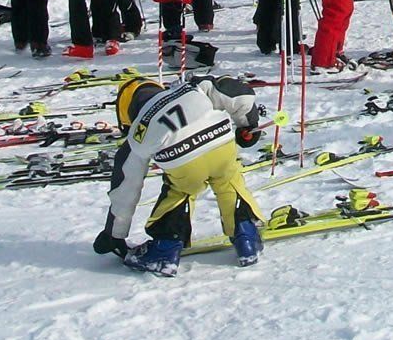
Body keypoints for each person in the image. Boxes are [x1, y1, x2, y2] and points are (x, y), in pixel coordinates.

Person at [93, 75, 264, 277]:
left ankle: (164, 250)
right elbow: (237, 92)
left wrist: (114, 233)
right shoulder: (191, 87)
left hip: (183, 161)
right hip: (221, 143)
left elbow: (126, 189)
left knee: (179, 192)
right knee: (229, 183)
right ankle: (246, 237)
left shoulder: (137, 133)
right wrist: (248, 125)